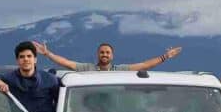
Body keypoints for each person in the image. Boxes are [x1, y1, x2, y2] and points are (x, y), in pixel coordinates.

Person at [33, 41, 182, 72]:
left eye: (107, 52)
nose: (104, 54)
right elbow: (66, 63)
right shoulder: (87, 68)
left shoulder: (120, 70)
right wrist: (47, 54)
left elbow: (144, 65)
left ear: (112, 55)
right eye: (102, 52)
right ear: (98, 54)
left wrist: (165, 57)